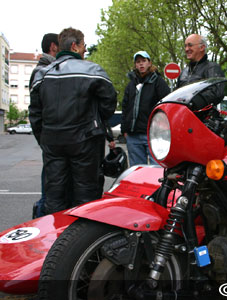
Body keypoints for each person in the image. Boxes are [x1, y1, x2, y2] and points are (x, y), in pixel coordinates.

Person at [29, 27, 117, 215]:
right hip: (85, 143)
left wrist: (45, 139)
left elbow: (35, 114)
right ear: (75, 46)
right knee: (86, 197)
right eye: (84, 45)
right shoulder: (92, 70)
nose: (85, 50)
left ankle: (57, 239)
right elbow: (109, 104)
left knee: (54, 196)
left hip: (53, 143)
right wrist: (94, 125)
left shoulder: (42, 74)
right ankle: (84, 242)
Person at [121, 51, 170, 166]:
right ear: (135, 65)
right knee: (137, 172)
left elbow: (166, 105)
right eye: (138, 62)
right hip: (133, 135)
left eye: (144, 61)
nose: (141, 64)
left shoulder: (158, 82)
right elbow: (125, 107)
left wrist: (163, 128)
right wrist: (125, 129)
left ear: (149, 63)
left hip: (154, 135)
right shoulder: (131, 85)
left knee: (156, 171)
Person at [29, 33, 59, 219]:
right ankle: (41, 221)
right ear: (53, 47)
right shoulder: (43, 70)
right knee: (49, 187)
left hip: (50, 137)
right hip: (50, 138)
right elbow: (36, 111)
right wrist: (44, 139)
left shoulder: (47, 68)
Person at [177, 34, 225, 110]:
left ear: (202, 47)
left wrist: (192, 102)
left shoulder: (212, 68)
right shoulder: (184, 72)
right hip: (184, 116)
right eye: (185, 46)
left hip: (205, 119)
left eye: (190, 45)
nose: (186, 49)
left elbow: (216, 93)